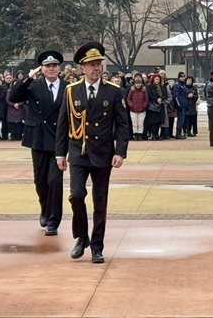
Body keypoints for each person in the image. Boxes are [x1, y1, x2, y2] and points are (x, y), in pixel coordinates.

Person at [55, 41, 129, 263]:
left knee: (100, 201)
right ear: (82, 68)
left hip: (103, 153)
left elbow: (122, 124)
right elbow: (63, 124)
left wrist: (120, 152)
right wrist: (60, 154)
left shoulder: (114, 92)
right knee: (76, 195)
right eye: (91, 65)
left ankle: (97, 246)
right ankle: (81, 237)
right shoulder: (71, 91)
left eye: (99, 64)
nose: (96, 68)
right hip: (78, 153)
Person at [9, 50, 68, 235]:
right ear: (41, 68)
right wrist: (28, 77)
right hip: (38, 138)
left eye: (54, 66)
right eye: (47, 66)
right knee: (40, 181)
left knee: (55, 181)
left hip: (58, 138)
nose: (51, 69)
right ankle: (45, 208)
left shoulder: (68, 87)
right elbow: (14, 97)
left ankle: (53, 221)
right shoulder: (34, 85)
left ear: (60, 68)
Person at [126, 73, 148, 141]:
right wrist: (131, 105)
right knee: (134, 123)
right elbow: (128, 99)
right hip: (133, 110)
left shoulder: (144, 90)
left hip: (142, 110)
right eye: (136, 83)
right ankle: (135, 135)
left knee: (140, 123)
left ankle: (140, 135)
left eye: (139, 83)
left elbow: (146, 99)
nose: (138, 85)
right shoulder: (132, 90)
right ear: (134, 84)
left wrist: (144, 106)